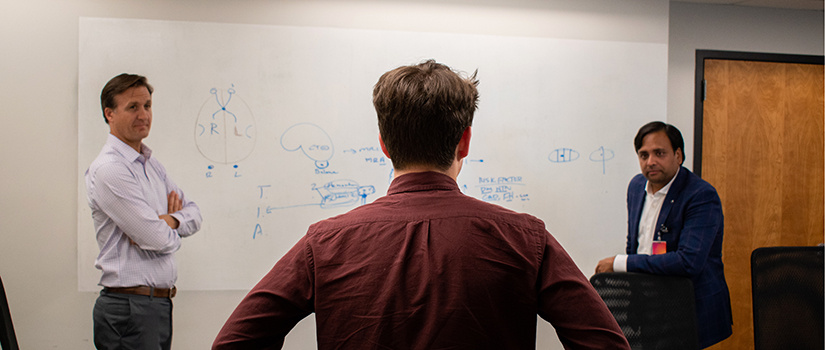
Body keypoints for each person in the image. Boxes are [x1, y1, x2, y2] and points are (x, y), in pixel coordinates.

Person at [212, 60, 629, 350]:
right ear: (465, 140)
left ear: (383, 143)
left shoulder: (326, 241)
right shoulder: (525, 239)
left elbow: (234, 342)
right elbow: (605, 343)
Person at [85, 73, 203, 349]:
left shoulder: (151, 165)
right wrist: (161, 229)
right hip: (129, 309)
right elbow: (156, 239)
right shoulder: (110, 169)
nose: (143, 114)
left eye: (147, 106)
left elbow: (195, 214)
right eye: (133, 107)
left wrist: (169, 220)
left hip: (155, 306)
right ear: (109, 114)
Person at [595, 121, 733, 348]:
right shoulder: (636, 186)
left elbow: (688, 262)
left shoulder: (701, 195)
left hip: (689, 308)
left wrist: (620, 263)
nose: (651, 162)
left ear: (678, 155)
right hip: (649, 304)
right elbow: (636, 243)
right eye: (644, 155)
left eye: (659, 153)